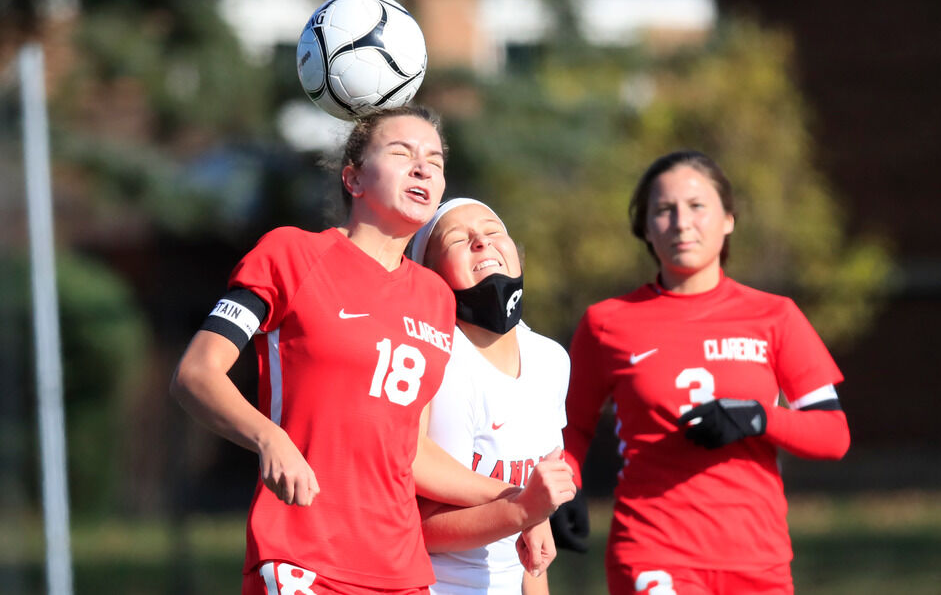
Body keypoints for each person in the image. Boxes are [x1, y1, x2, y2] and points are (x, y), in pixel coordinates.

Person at [170, 106, 573, 595]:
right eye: (402, 153)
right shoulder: (291, 254)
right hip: (305, 557)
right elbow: (196, 373)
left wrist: (517, 502)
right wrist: (269, 438)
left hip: (402, 572)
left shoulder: (434, 299)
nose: (423, 167)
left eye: (435, 160)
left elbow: (411, 453)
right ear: (354, 178)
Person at [552, 150, 851, 594]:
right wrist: (565, 488)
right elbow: (571, 427)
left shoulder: (776, 316)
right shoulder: (606, 322)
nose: (681, 222)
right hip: (654, 551)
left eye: (696, 206)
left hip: (759, 558)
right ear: (645, 228)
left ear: (728, 218)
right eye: (663, 210)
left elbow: (833, 434)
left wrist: (759, 418)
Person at [407, 198, 573, 595]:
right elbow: (422, 528)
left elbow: (534, 551)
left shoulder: (551, 359)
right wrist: (521, 508)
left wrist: (529, 513)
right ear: (430, 275)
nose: (482, 241)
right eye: (458, 239)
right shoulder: (441, 361)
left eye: (493, 231)